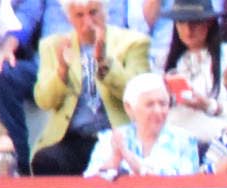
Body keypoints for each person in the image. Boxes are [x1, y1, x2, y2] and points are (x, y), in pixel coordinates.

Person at [29, 0, 152, 176]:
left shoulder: (133, 42)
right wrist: (62, 71)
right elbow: (44, 101)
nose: (88, 21)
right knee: (46, 160)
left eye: (93, 12)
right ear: (69, 18)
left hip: (117, 138)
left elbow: (139, 93)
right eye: (79, 15)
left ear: (105, 12)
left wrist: (104, 63)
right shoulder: (52, 45)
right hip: (74, 138)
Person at [83, 68, 202, 173]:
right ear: (129, 108)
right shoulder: (111, 139)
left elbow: (186, 184)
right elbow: (88, 187)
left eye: (163, 104)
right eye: (150, 105)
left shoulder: (183, 140)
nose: (158, 111)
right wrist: (113, 162)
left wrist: (134, 163)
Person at [157, 0, 227, 146]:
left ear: (208, 23)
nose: (188, 29)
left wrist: (208, 105)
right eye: (181, 22)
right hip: (176, 138)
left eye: (195, 22)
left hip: (217, 138)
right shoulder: (168, 61)